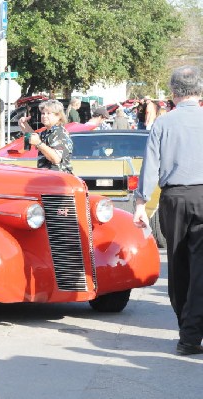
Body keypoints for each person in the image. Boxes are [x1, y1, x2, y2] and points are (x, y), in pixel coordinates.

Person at [133, 65, 203, 356]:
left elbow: (151, 168)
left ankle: (186, 329)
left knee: (177, 262)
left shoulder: (162, 124)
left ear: (174, 93)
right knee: (200, 266)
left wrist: (140, 203)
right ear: (199, 91)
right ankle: (190, 332)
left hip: (174, 197)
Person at [18, 99, 73, 173]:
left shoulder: (60, 133)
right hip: (47, 177)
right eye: (43, 113)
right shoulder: (47, 132)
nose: (44, 116)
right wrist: (24, 125)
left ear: (59, 116)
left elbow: (56, 159)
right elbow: (34, 137)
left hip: (58, 179)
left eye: (48, 113)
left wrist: (39, 143)